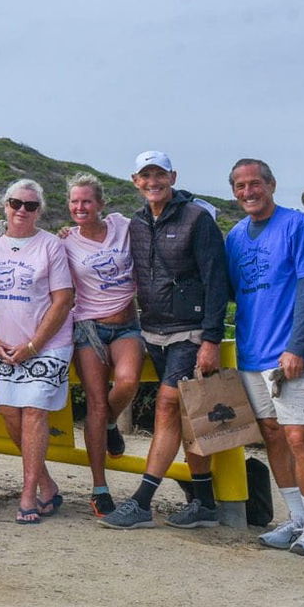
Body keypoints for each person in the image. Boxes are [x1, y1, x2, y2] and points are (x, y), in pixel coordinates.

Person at [99, 152, 231, 531]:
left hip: (189, 332)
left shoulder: (197, 219)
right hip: (152, 331)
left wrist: (210, 339)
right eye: (146, 175)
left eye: (160, 174)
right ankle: (204, 501)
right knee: (188, 417)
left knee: (167, 406)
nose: (153, 181)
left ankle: (142, 501)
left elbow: (215, 280)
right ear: (135, 181)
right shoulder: (136, 223)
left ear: (172, 176)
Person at [225, 159, 304, 560]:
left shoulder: (297, 225)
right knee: (271, 434)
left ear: (271, 184)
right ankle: (295, 519)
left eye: (255, 184)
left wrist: (298, 345)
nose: (248, 192)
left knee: (299, 437)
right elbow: (235, 290)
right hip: (252, 352)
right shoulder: (234, 236)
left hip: (291, 354)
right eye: (240, 186)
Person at [0, 179, 76, 525]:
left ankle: (28, 494)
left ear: (39, 211)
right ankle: (47, 483)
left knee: (33, 412)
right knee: (9, 413)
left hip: (46, 345)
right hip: (1, 346)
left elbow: (63, 300)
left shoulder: (50, 247)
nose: (21, 211)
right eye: (16, 203)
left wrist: (34, 346)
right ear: (5, 205)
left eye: (30, 206)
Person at [60, 173, 142, 518]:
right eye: (75, 202)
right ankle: (99, 487)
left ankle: (110, 424)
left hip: (126, 324)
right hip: (88, 327)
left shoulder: (123, 225)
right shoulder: (65, 242)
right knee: (94, 403)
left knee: (127, 383)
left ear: (101, 204)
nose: (80, 207)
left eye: (87, 201)